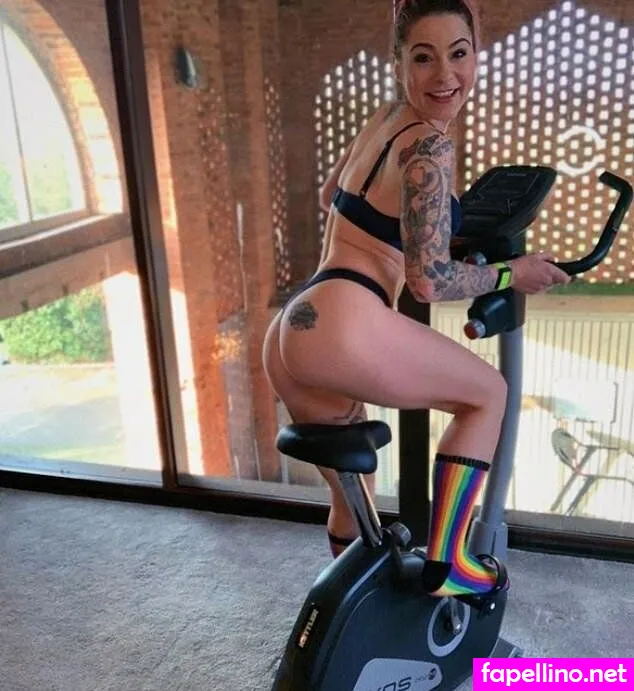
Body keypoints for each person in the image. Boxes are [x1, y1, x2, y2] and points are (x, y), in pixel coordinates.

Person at [262, 0, 570, 599]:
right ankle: (450, 563)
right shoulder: (429, 146)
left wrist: (429, 231)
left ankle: (356, 615)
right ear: (400, 62)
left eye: (459, 54)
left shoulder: (383, 118)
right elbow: (428, 282)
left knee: (353, 501)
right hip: (347, 319)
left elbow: (334, 196)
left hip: (295, 328)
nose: (445, 75)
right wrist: (513, 274)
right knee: (488, 395)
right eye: (424, 58)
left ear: (475, 55)